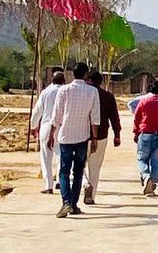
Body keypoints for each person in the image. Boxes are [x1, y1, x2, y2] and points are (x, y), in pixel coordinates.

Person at [53, 61, 100, 217]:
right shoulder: (92, 91)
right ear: (86, 74)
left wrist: (51, 133)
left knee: (64, 172)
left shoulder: (64, 90)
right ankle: (73, 204)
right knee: (78, 172)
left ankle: (66, 202)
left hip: (65, 136)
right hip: (82, 136)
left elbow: (57, 115)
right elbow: (95, 118)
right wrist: (94, 138)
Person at [84, 69, 121, 204]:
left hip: (82, 135)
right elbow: (114, 117)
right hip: (101, 136)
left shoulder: (84, 95)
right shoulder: (108, 96)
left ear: (88, 80)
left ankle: (85, 183)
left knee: (78, 165)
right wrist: (117, 135)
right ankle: (91, 196)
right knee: (95, 167)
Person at [30, 66, 66, 195]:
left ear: (52, 79)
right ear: (64, 80)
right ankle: (61, 181)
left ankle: (48, 185)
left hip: (46, 126)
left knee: (46, 157)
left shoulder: (46, 92)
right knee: (61, 155)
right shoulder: (66, 91)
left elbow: (37, 111)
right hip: (62, 127)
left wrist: (33, 126)